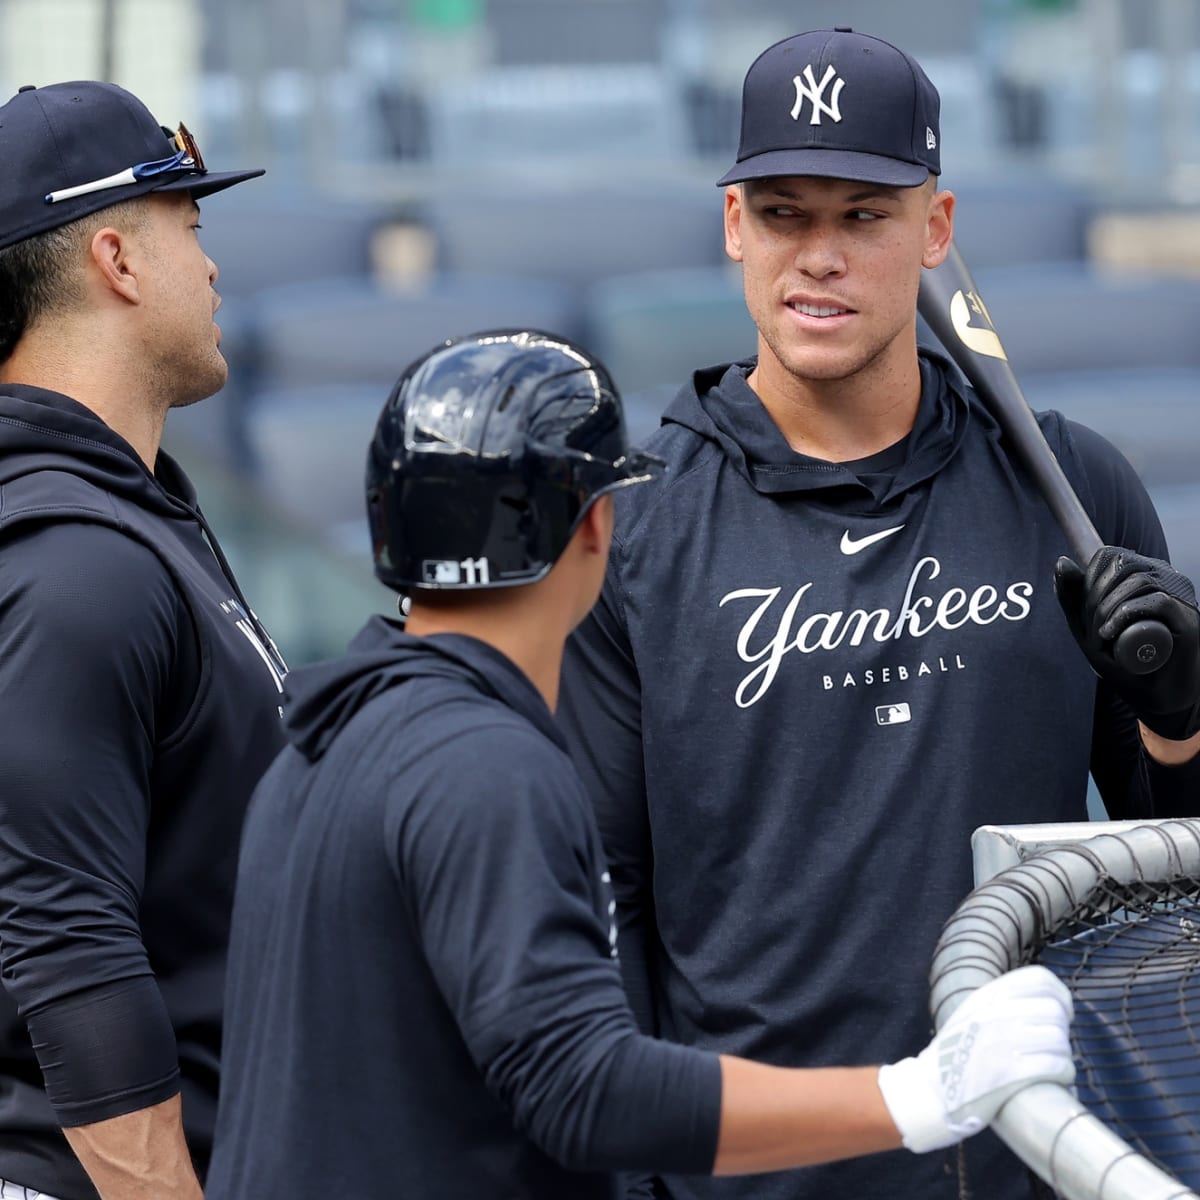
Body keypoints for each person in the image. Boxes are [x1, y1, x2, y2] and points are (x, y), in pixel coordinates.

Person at [204, 329, 1074, 1200]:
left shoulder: (322, 749)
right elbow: (581, 1090)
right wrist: (917, 1094)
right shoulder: (484, 767)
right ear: (596, 526)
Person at [556, 27, 1200, 1200]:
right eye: (787, 212)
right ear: (734, 226)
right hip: (755, 1177)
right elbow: (602, 909)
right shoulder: (633, 530)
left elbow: (1179, 883)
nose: (821, 257)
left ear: (937, 229)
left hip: (1028, 1159)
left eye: (864, 215)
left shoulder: (1073, 493)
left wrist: (1183, 718)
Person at [0, 81, 288, 1200]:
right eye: (193, 229)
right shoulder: (67, 556)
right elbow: (69, 951)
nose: (212, 268)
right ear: (117, 260)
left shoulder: (121, 512)